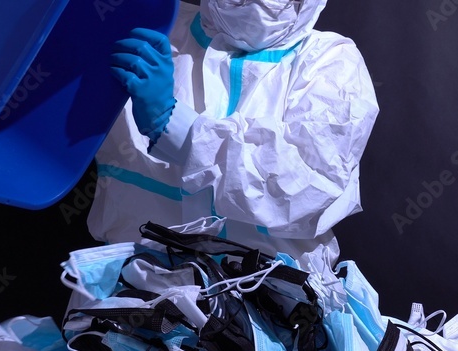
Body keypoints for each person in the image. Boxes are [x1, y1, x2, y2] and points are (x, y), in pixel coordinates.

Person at [91, 0, 379, 276]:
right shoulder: (149, 30)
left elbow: (304, 186)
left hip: (265, 304)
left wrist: (174, 126)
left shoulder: (332, 62)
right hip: (129, 296)